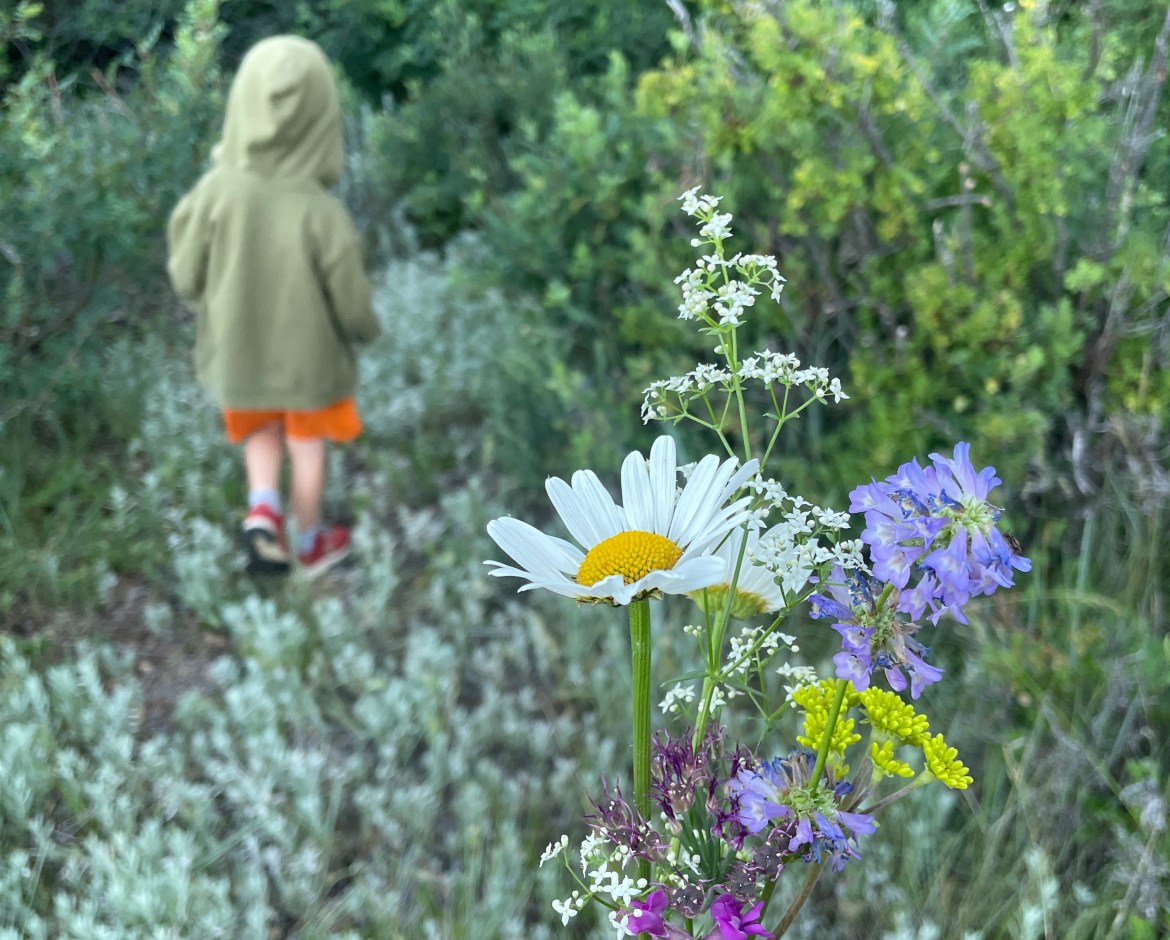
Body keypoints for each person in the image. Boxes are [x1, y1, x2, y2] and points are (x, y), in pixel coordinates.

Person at [166, 35, 381, 577]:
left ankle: (263, 514)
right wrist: (365, 328)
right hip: (310, 366)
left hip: (240, 356)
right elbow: (349, 296)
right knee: (308, 446)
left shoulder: (215, 193)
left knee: (260, 431)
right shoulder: (320, 209)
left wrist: (207, 301)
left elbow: (186, 274)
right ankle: (309, 539)